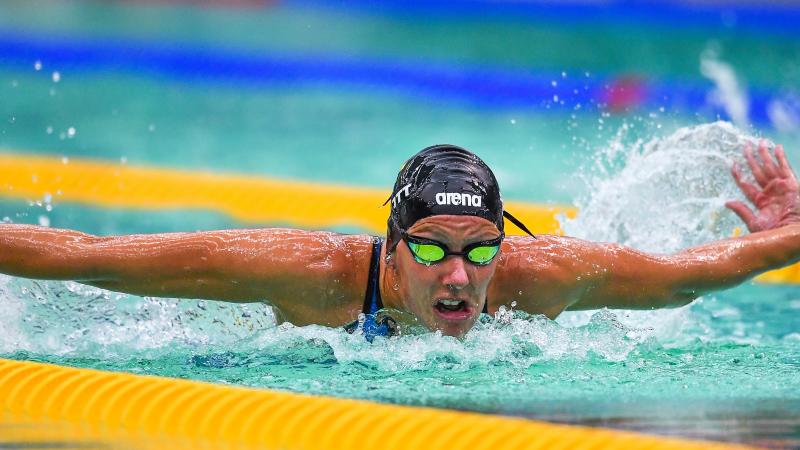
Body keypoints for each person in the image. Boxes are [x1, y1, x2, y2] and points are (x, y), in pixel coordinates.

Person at [1, 143, 798, 339]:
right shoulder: (312, 274)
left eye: (481, 249)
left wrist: (785, 234)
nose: (459, 275)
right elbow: (92, 257)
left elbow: (688, 274)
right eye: (432, 248)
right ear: (390, 245)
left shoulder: (543, 276)